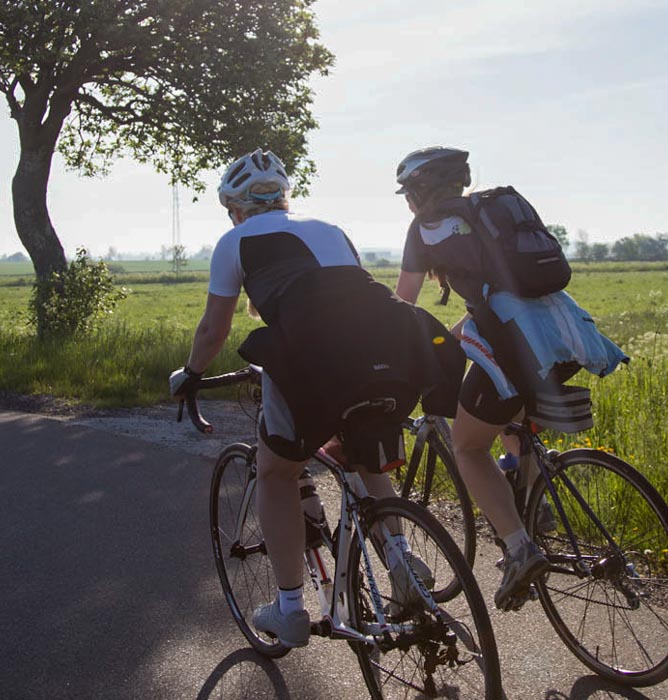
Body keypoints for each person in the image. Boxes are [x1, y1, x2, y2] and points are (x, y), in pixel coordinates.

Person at [171, 149, 462, 649]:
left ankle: (289, 610)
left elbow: (214, 327)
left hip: (313, 354)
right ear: (285, 196)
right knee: (363, 442)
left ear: (235, 207)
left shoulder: (234, 241)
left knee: (276, 472)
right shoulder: (330, 228)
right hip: (389, 345)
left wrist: (191, 374)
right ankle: (398, 554)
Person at [391, 146, 628, 610]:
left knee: (468, 445)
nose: (407, 203)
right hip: (565, 335)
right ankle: (533, 499)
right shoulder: (490, 210)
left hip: (514, 342)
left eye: (408, 193)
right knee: (514, 421)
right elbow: (498, 295)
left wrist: (389, 349)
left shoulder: (425, 229)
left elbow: (403, 303)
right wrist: (453, 340)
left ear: (419, 192)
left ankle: (520, 549)